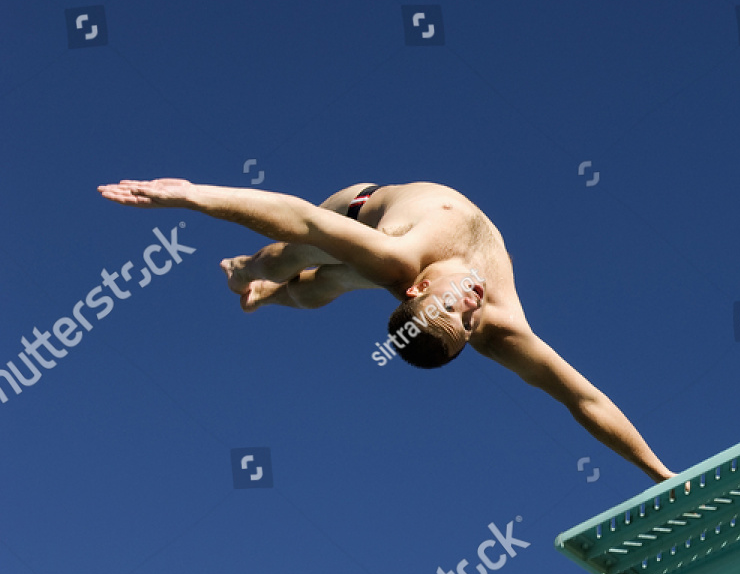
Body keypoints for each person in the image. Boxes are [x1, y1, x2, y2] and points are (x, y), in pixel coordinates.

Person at [98, 177, 675, 482]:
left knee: (312, 269)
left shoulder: (399, 263)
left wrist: (193, 195)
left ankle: (259, 285)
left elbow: (299, 215)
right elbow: (583, 398)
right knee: (298, 266)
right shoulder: (493, 321)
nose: (472, 304)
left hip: (363, 229)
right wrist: (659, 472)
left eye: (457, 310)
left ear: (420, 292)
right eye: (466, 317)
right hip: (361, 223)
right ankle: (253, 280)